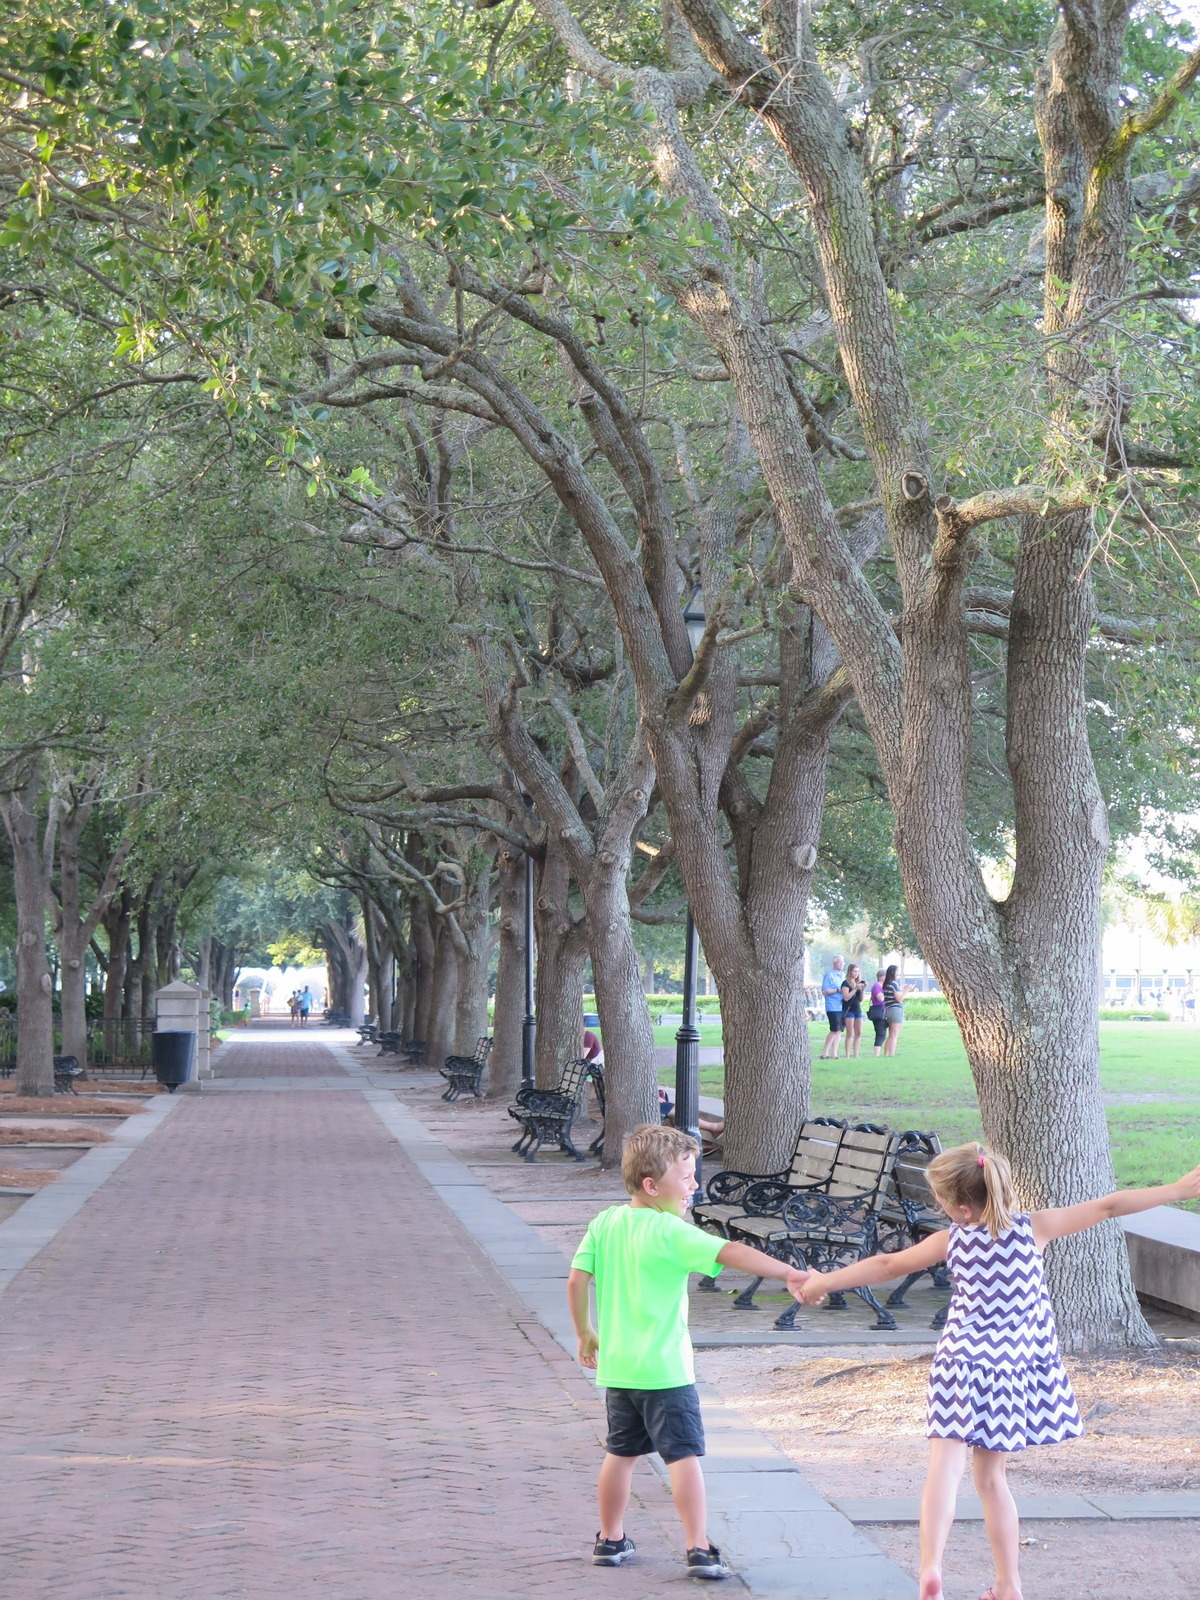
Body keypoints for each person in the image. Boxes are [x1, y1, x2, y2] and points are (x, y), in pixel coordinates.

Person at [795, 1144, 1200, 1600]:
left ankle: (931, 1569)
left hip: (959, 1361)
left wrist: (823, 1281)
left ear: (962, 1208)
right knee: (991, 1480)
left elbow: (887, 1265)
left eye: (941, 1200)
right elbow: (1109, 1205)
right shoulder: (1035, 1228)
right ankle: (1008, 1583)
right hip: (1009, 1369)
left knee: (944, 1470)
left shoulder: (950, 1240)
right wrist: (1177, 1189)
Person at [568, 1125, 807, 1581]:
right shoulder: (671, 1231)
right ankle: (698, 1547)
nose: (694, 1184)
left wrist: (585, 1333)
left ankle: (610, 1539)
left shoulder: (606, 1222)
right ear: (651, 1185)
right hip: (667, 1372)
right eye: (686, 1177)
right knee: (682, 1458)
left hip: (619, 1370)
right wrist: (789, 1273)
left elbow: (577, 1280)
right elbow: (732, 1251)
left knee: (620, 1454)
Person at [881, 963, 912, 1057]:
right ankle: (891, 1054)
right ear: (893, 972)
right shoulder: (894, 984)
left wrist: (901, 989)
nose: (898, 973)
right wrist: (907, 990)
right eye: (897, 971)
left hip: (888, 1010)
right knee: (894, 1035)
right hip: (896, 1010)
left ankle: (886, 1054)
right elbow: (899, 999)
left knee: (891, 1034)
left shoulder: (886, 984)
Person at [819, 954, 845, 1059]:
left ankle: (834, 1053)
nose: (841, 964)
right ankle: (824, 1053)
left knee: (839, 1030)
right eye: (839, 962)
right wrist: (838, 990)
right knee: (834, 1029)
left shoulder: (843, 975)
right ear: (834, 963)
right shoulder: (829, 975)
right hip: (833, 1006)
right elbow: (825, 991)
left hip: (842, 1006)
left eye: (843, 962)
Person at [839, 963, 866, 1058]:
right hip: (848, 1010)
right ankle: (847, 1055)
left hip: (857, 1010)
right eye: (854, 971)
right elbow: (846, 997)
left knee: (858, 1033)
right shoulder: (845, 983)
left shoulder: (858, 983)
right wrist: (855, 989)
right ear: (850, 972)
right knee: (849, 1033)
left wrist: (862, 990)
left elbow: (861, 999)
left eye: (858, 972)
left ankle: (856, 1054)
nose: (856, 973)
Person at [867, 969, 888, 1056]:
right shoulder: (877, 986)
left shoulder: (884, 986)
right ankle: (876, 1054)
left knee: (883, 1033)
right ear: (881, 977)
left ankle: (884, 1052)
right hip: (878, 1011)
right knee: (880, 1033)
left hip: (884, 1011)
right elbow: (881, 998)